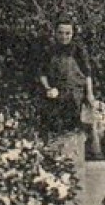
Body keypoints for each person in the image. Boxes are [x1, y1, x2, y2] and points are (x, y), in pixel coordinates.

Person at [38, 21, 97, 155]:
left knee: (75, 128)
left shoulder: (78, 50)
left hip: (75, 94)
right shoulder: (49, 51)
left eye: (67, 33)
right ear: (55, 33)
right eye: (60, 33)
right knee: (54, 127)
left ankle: (74, 158)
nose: (64, 36)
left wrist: (90, 94)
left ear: (72, 33)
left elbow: (87, 73)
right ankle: (56, 159)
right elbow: (42, 73)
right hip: (55, 94)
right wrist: (48, 88)